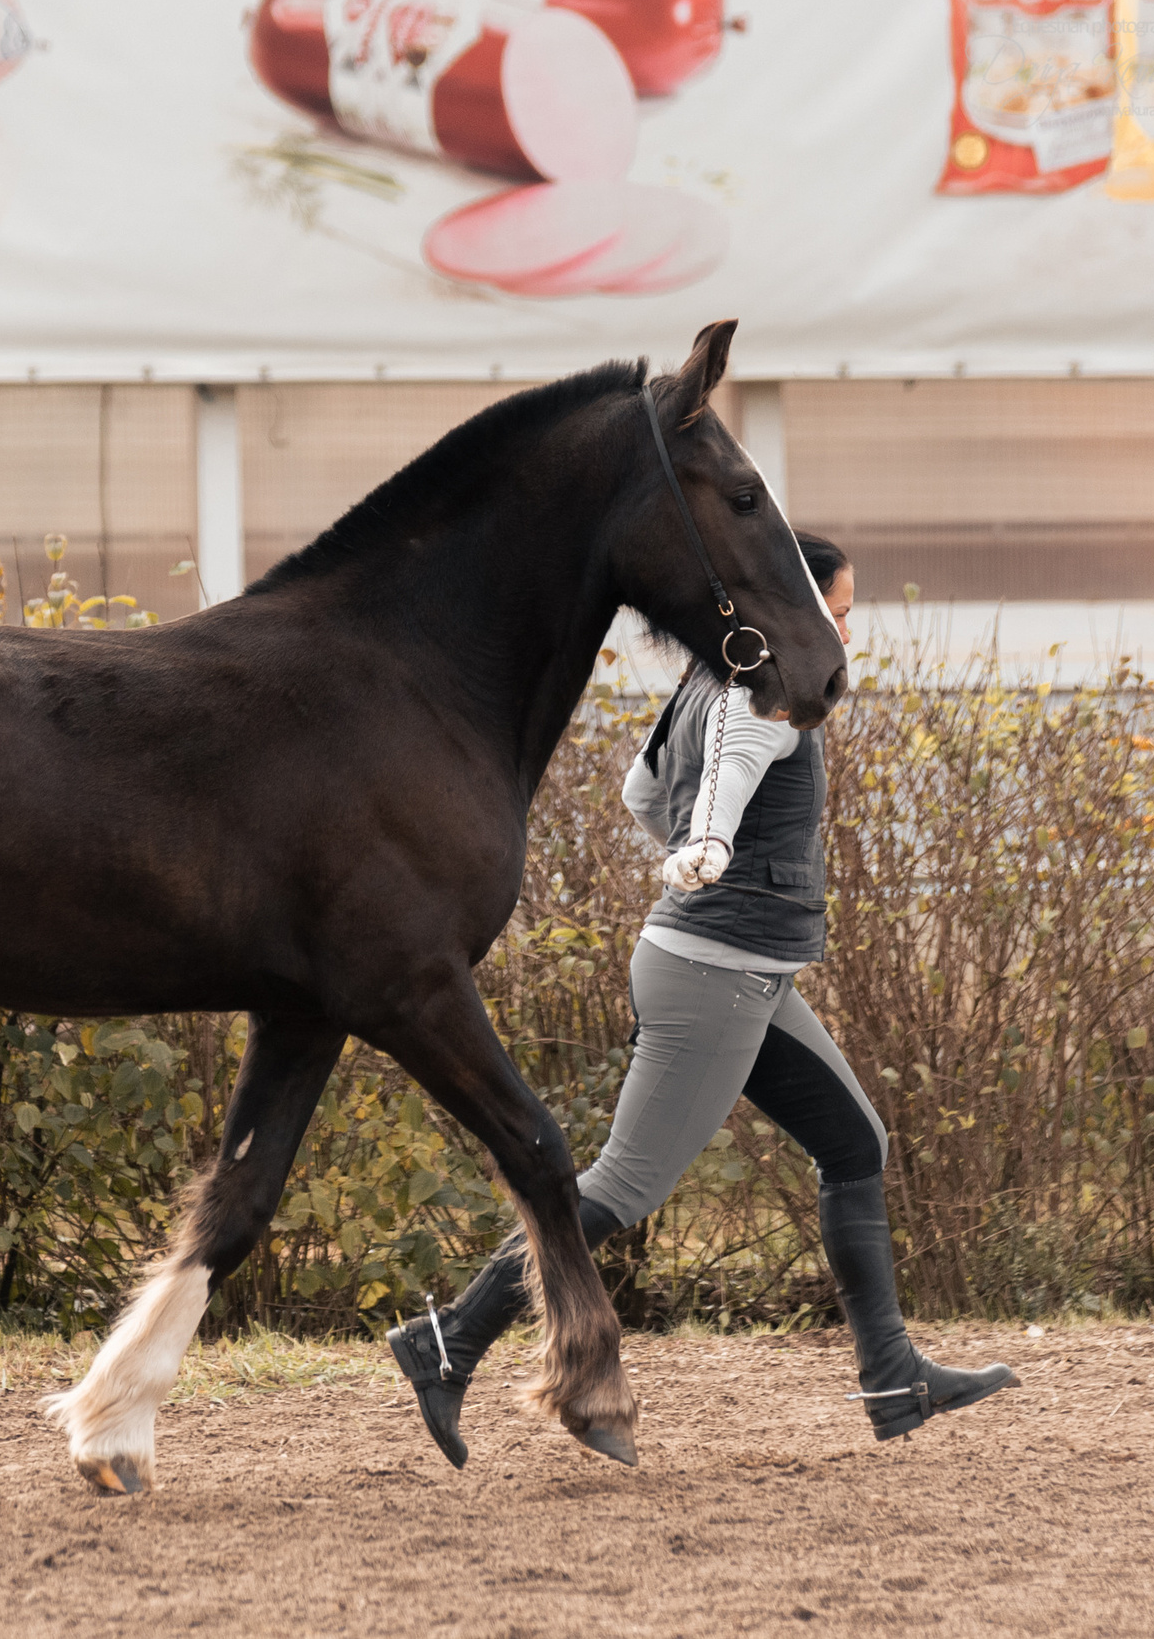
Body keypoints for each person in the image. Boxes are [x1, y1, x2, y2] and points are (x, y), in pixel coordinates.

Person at [386, 533, 1018, 1467]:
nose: (844, 628)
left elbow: (645, 791)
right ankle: (448, 1341)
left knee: (855, 1144)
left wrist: (687, 845)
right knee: (624, 1183)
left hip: (733, 970)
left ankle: (894, 1375)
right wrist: (710, 845)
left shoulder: (697, 685)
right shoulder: (765, 694)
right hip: (716, 971)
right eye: (837, 609)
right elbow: (722, 774)